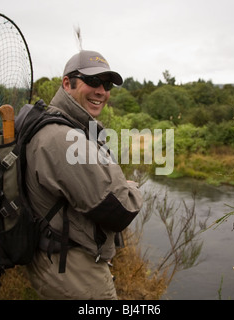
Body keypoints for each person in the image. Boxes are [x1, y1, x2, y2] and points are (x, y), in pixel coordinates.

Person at [24, 50, 143, 300]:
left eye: (107, 84)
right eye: (93, 81)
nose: (101, 91)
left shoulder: (67, 126)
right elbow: (120, 209)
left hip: (59, 262)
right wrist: (130, 188)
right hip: (73, 270)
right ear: (67, 83)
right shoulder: (65, 138)